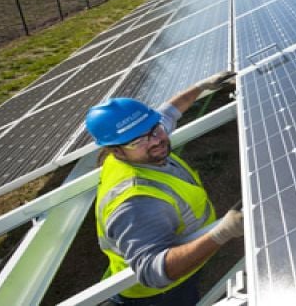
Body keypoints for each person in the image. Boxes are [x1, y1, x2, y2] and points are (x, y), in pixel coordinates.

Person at [85, 71, 242, 306]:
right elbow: (152, 271)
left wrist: (200, 86)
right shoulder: (136, 203)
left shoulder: (141, 141)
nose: (156, 140)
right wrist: (222, 232)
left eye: (155, 130)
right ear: (115, 150)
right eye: (137, 141)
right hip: (159, 295)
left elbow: (169, 112)